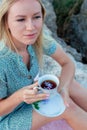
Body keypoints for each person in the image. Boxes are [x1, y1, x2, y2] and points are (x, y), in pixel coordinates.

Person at [0, 0, 87, 130]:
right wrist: (19, 96)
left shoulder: (37, 39)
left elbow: (67, 63)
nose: (31, 27)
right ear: (6, 22)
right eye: (20, 20)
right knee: (67, 108)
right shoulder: (2, 59)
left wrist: (64, 88)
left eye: (36, 17)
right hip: (7, 117)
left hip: (31, 100)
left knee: (69, 84)